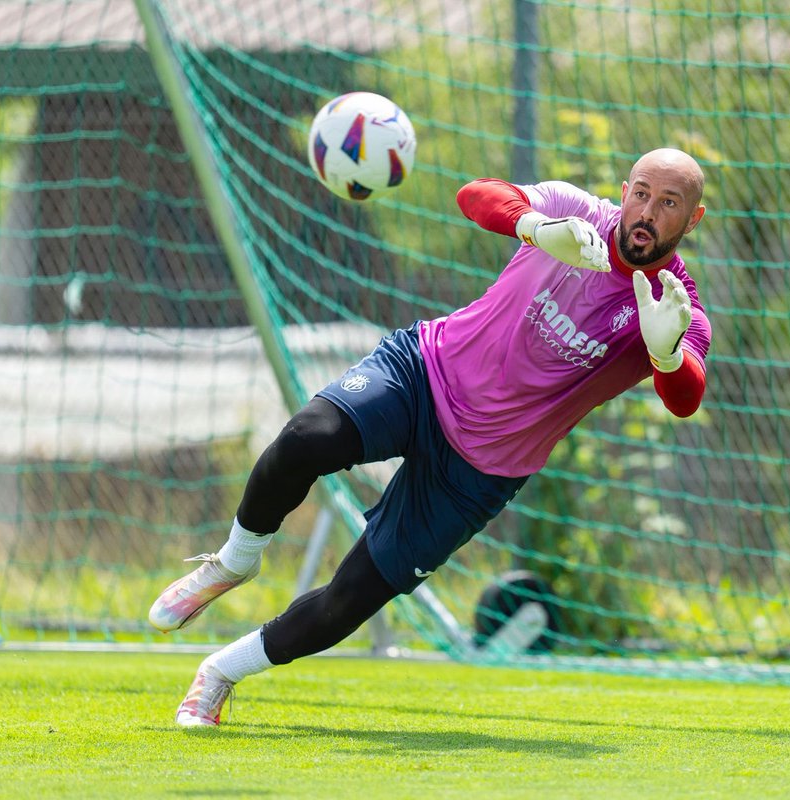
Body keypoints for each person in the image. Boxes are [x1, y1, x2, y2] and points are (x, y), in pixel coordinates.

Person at [149, 147, 711, 726]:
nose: (648, 212)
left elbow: (686, 397)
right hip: (425, 371)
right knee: (304, 439)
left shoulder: (677, 306)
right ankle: (235, 562)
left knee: (349, 601)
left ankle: (218, 673)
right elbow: (476, 194)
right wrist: (536, 228)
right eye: (641, 192)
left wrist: (666, 354)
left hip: (483, 467)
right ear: (624, 190)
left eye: (669, 203)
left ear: (691, 220)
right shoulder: (574, 214)